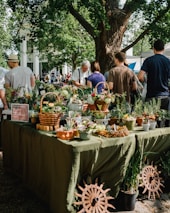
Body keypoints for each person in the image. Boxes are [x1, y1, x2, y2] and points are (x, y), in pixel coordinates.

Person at [137, 39, 170, 111]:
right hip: (165, 95)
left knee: (151, 119)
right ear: (163, 49)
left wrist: (144, 80)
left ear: (153, 49)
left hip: (151, 96)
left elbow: (139, 77)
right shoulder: (168, 61)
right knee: (164, 119)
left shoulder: (148, 60)